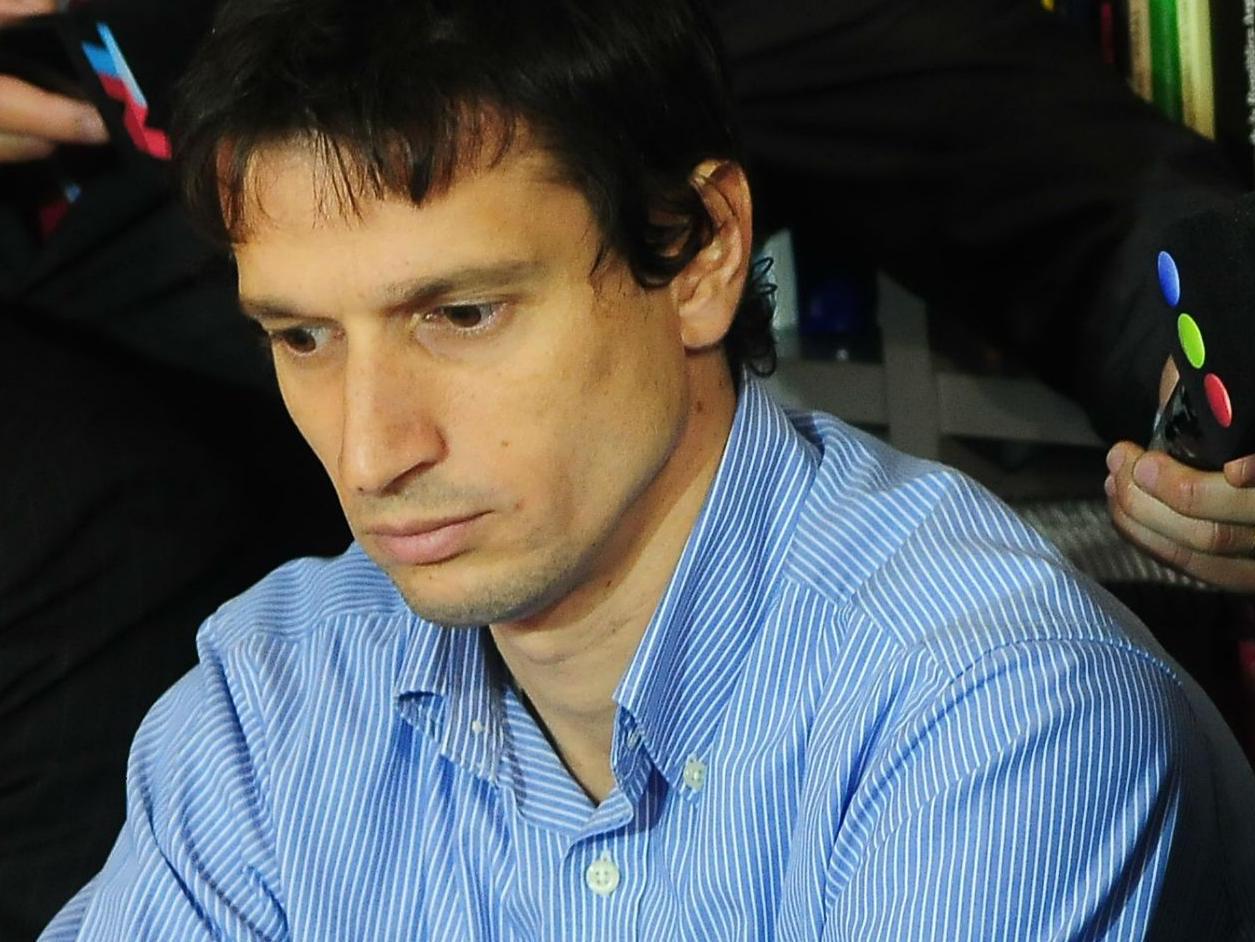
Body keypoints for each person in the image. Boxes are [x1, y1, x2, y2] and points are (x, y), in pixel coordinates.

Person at [4, 0, 1254, 935]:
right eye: (302, 338)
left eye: (463, 315)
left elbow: (1076, 181)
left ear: (702, 252)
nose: (372, 451)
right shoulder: (268, 700)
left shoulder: (995, 718)